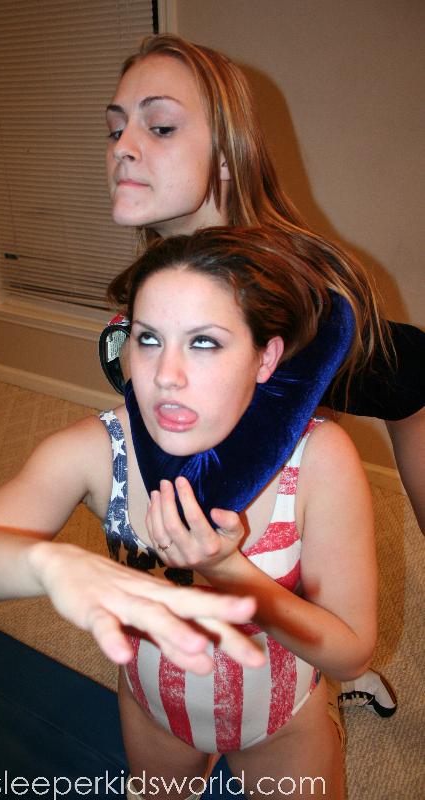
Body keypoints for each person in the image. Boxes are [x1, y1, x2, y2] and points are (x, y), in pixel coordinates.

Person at [0, 227, 376, 799]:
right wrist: (49, 564)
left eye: (204, 342)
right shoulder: (97, 450)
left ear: (266, 357)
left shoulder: (318, 459)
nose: (165, 375)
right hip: (155, 712)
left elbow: (351, 652)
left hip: (281, 720)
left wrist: (228, 570)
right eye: (149, 338)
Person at [100, 33, 419, 719]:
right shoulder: (167, 271)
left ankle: (334, 671)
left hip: (404, 378)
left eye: (159, 127)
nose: (123, 146)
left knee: (299, 499)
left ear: (227, 156)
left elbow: (210, 491)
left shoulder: (306, 297)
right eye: (115, 127)